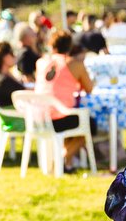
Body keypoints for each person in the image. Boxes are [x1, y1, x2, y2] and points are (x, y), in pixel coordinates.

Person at [35, 30, 95, 169]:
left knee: (73, 119)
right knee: (90, 125)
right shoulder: (74, 64)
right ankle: (63, 158)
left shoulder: (41, 62)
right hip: (57, 118)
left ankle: (66, 162)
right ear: (70, 46)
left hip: (38, 116)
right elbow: (89, 88)